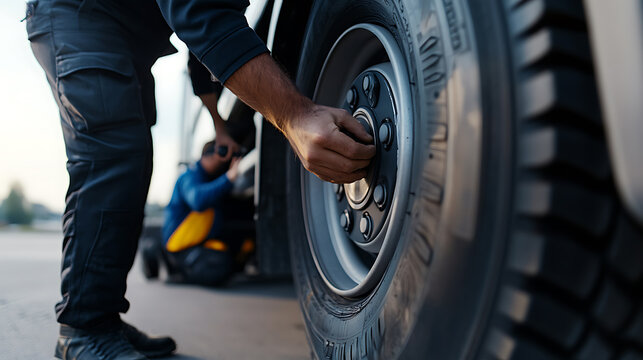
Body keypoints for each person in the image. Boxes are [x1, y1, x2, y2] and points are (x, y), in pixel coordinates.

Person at [26, 0, 375, 359]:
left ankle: (103, 318)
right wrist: (295, 115)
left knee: (131, 159)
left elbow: (202, 55)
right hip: (79, 13)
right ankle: (84, 330)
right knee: (110, 155)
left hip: (125, 31)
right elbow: (201, 15)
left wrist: (220, 127)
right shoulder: (191, 179)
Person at [157, 140, 246, 286]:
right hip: (181, 248)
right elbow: (197, 200)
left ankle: (181, 270)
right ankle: (180, 271)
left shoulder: (208, 178)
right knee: (218, 266)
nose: (225, 162)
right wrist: (228, 178)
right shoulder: (190, 176)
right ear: (209, 156)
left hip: (198, 244)